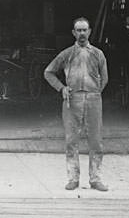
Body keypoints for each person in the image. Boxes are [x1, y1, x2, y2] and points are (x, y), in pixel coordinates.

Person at [44, 17, 109, 192]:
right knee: (71, 140)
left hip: (93, 99)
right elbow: (48, 72)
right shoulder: (66, 54)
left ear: (89, 32)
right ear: (73, 33)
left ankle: (95, 178)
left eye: (84, 30)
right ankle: (73, 178)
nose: (81, 33)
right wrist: (61, 88)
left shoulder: (98, 54)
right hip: (72, 101)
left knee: (95, 141)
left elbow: (105, 78)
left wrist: (94, 92)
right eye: (78, 30)